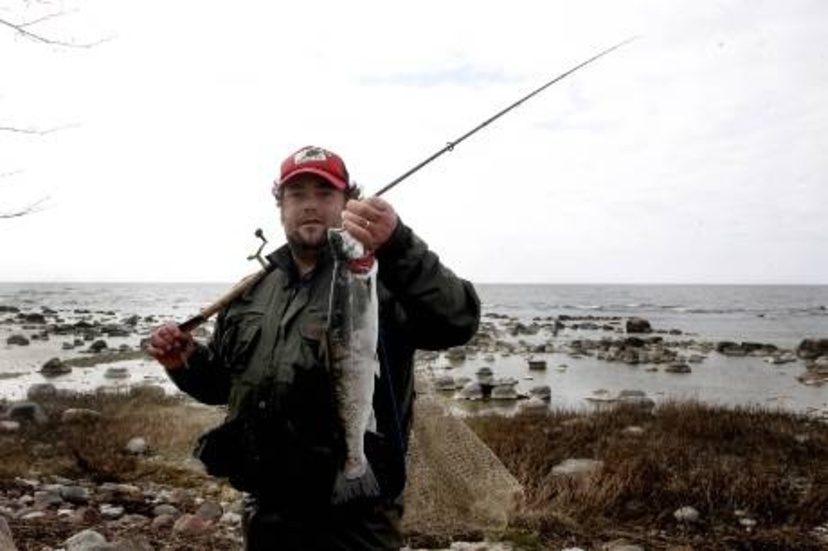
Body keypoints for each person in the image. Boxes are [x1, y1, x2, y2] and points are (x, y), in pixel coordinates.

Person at [147, 145, 481, 550]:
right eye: (297, 194)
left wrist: (398, 244)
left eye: (325, 194)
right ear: (281, 207)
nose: (310, 205)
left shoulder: (379, 278)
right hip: (266, 509)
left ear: (348, 204)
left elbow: (457, 321)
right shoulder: (252, 292)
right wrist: (185, 361)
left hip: (359, 515)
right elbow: (223, 387)